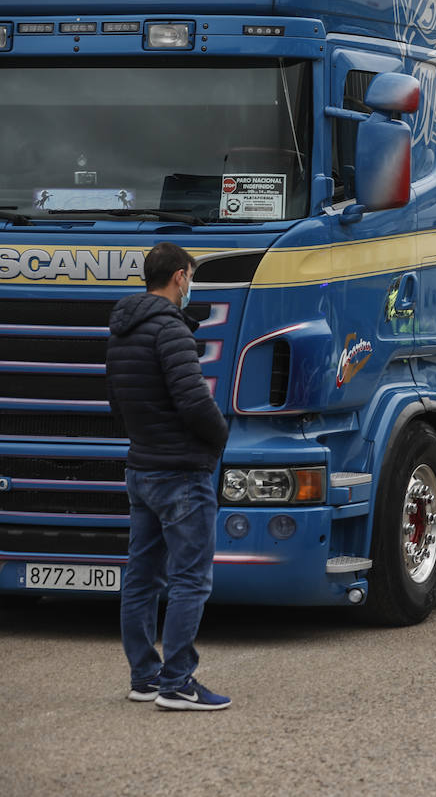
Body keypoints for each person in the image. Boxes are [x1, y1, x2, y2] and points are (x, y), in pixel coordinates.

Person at [106, 242, 231, 711]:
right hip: (181, 472)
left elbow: (116, 403)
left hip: (141, 470)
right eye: (190, 278)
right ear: (180, 277)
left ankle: (145, 676)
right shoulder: (170, 329)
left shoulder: (121, 330)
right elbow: (194, 400)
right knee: (190, 579)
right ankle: (177, 682)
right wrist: (219, 438)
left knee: (141, 577)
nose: (190, 286)